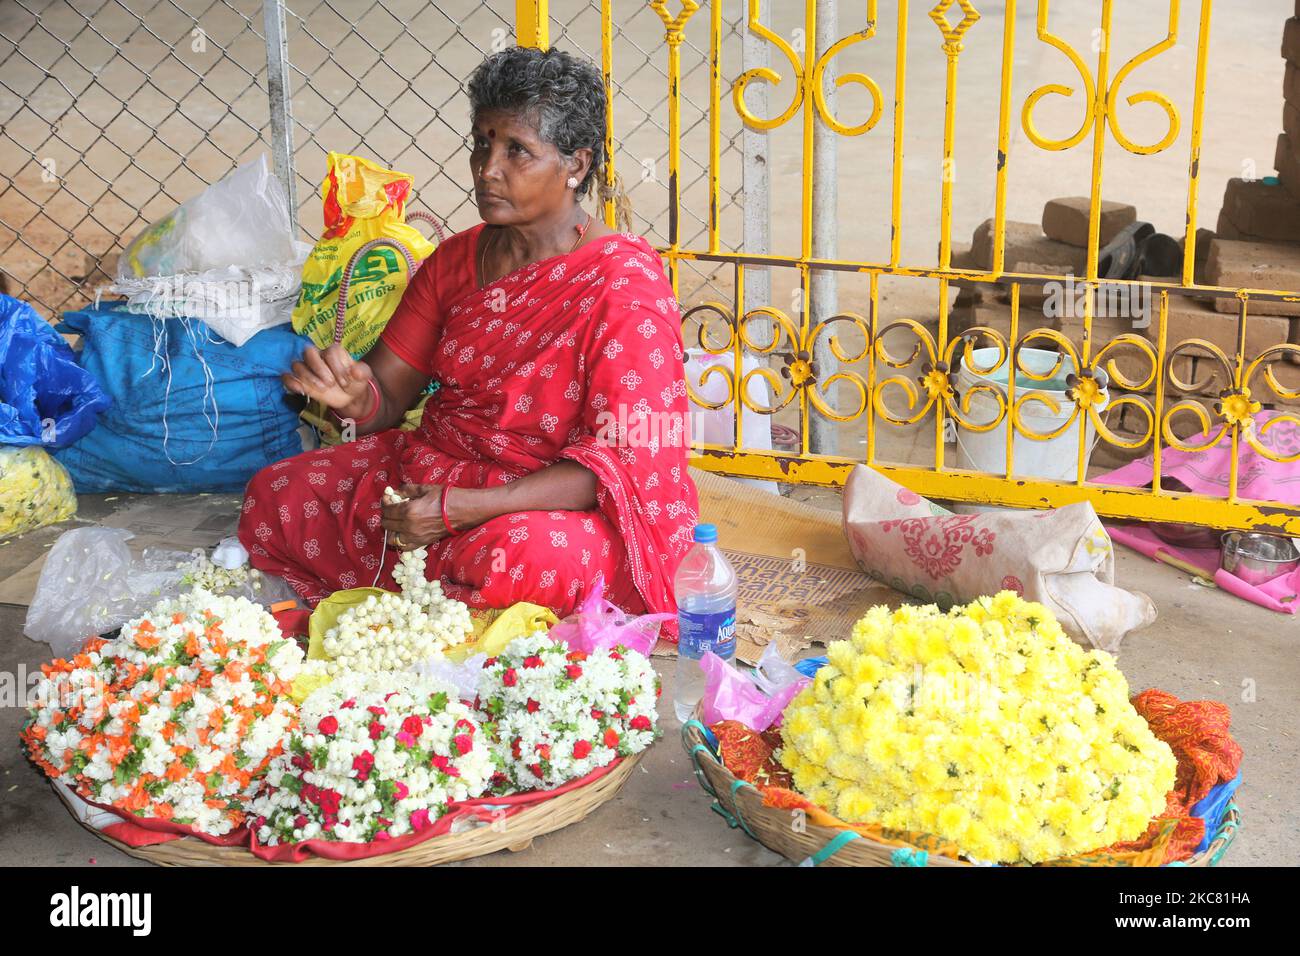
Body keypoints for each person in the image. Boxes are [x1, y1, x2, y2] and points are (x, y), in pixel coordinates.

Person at [238, 45, 699, 618]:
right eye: (481, 143)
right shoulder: (456, 262)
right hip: (431, 478)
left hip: (547, 506)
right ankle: (436, 603)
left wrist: (465, 508)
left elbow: (623, 462)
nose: (488, 169)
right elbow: (384, 399)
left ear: (576, 165)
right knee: (278, 492)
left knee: (527, 560)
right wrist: (353, 398)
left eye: (517, 152)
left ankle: (427, 598)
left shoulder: (623, 287)